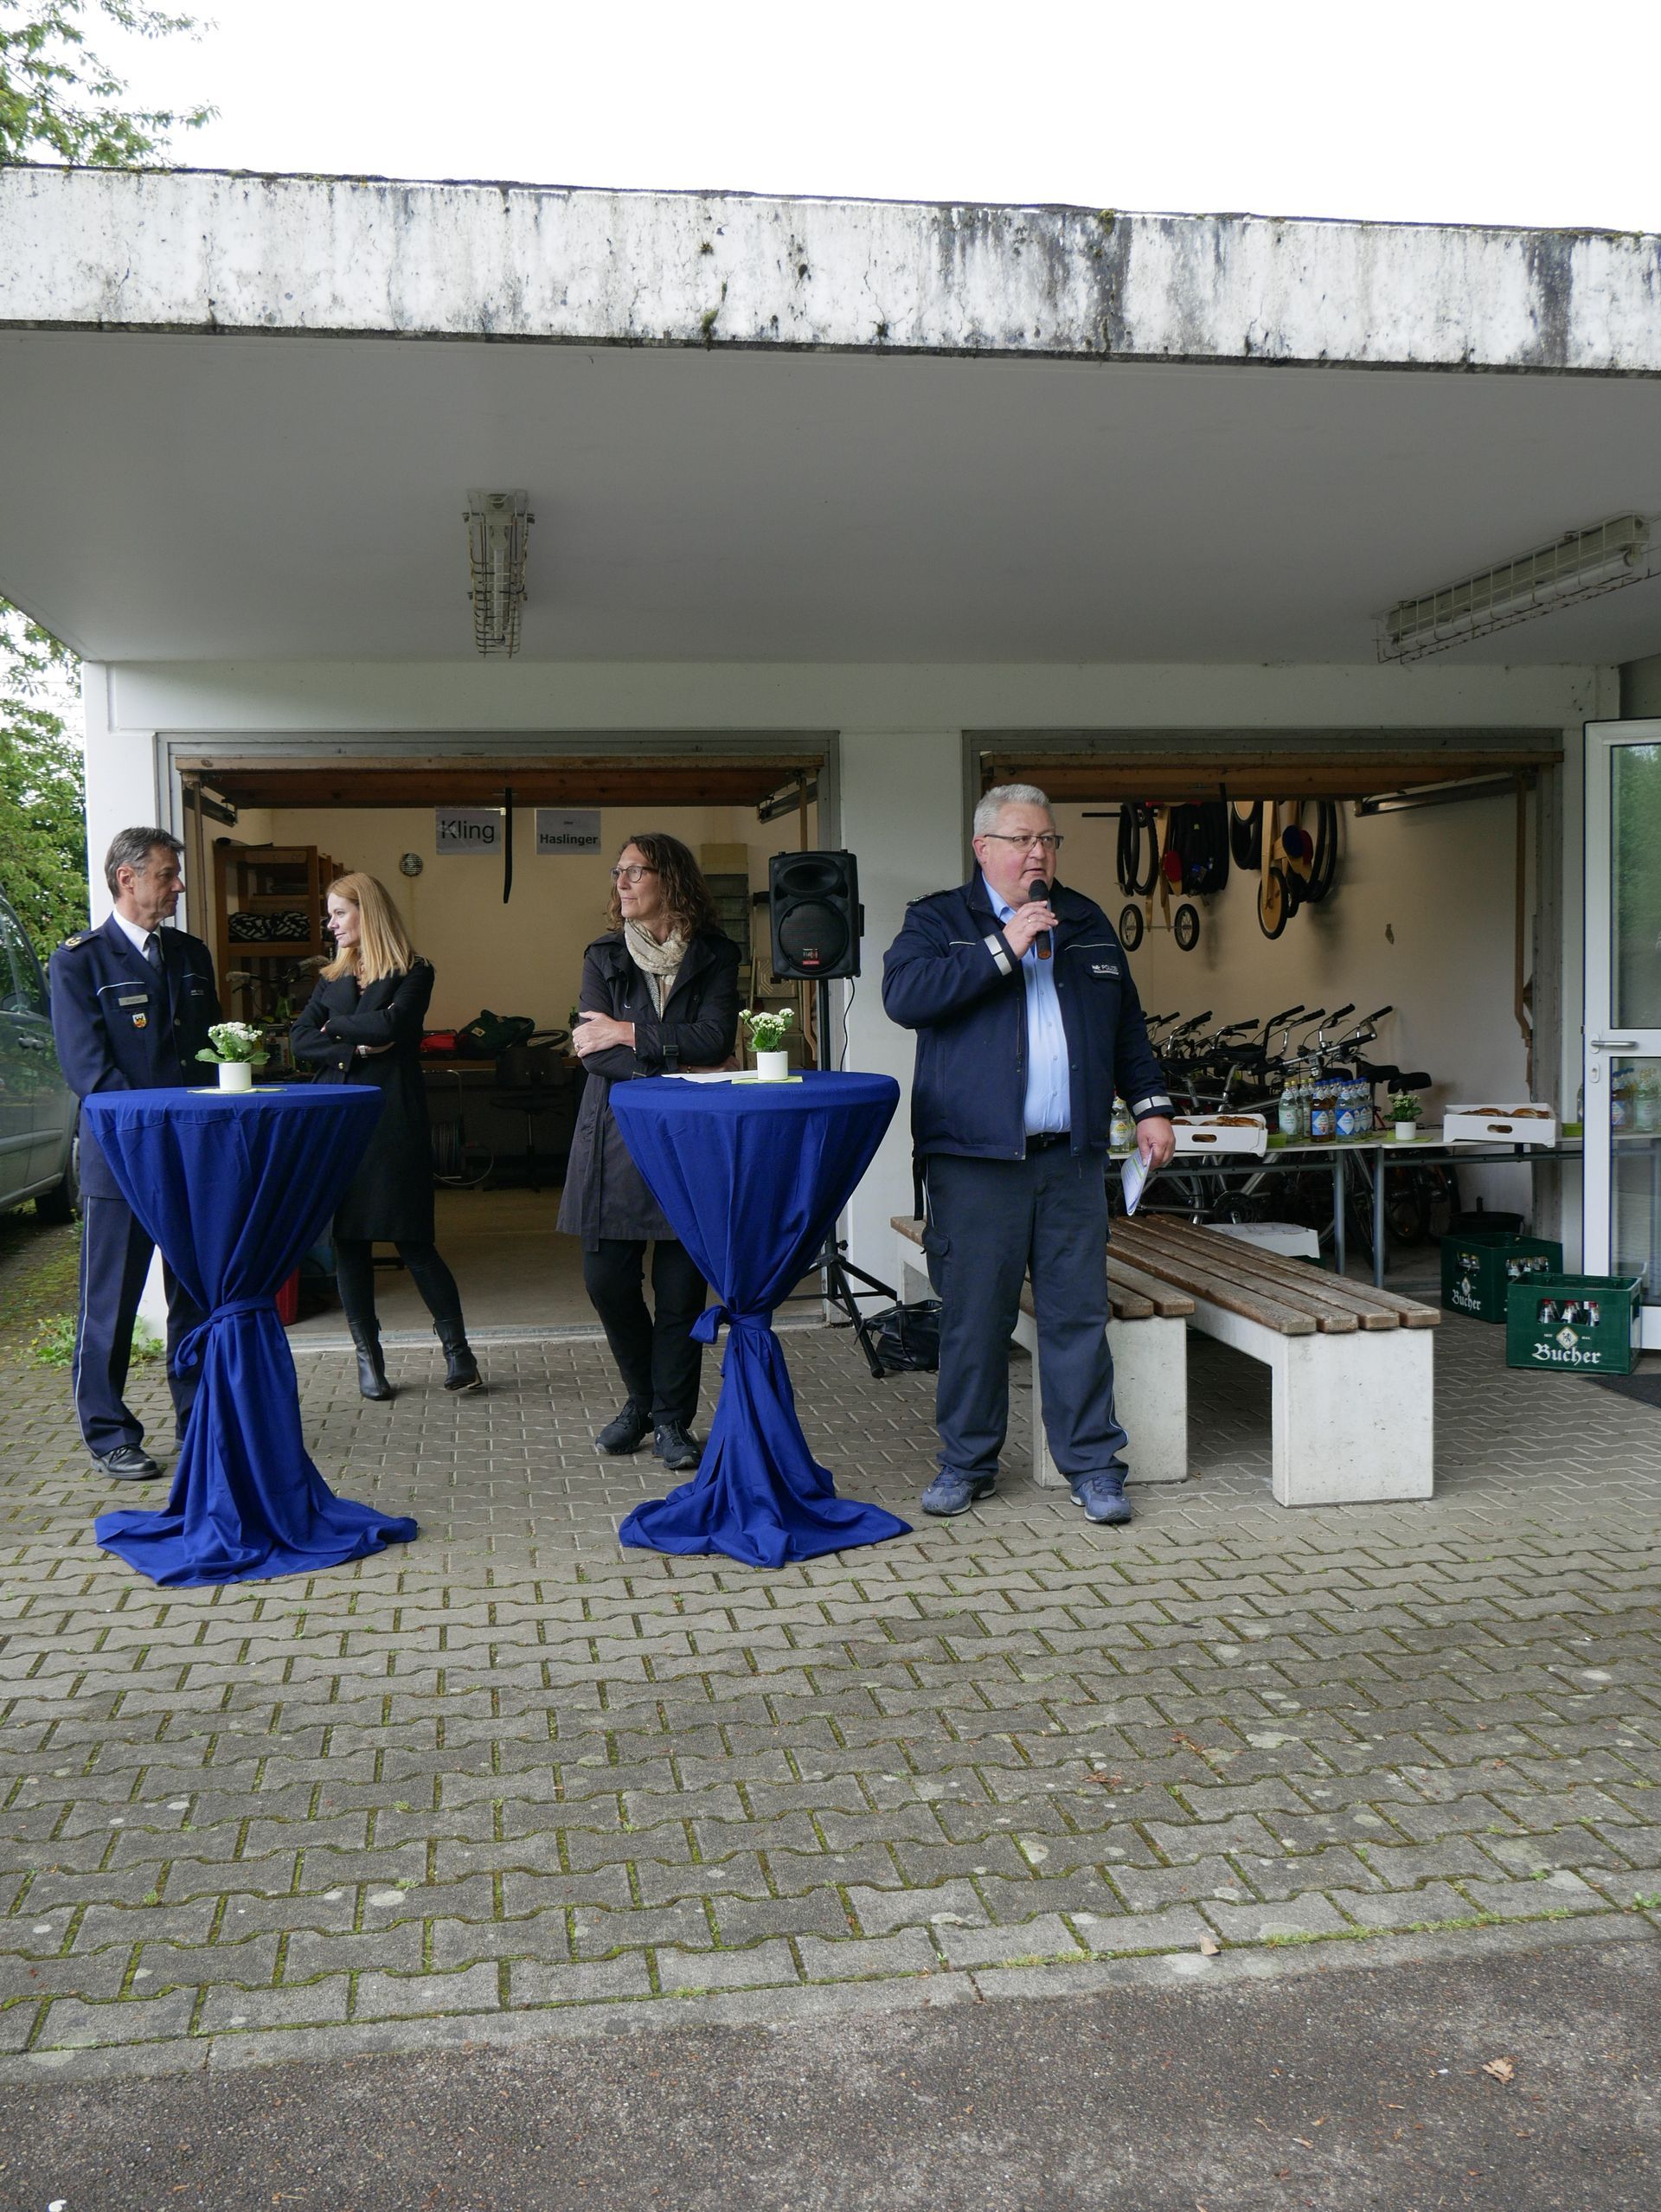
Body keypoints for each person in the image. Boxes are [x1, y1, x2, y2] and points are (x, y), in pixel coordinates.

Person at [882, 783, 1176, 1524]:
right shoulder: (938, 920)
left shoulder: (1086, 921)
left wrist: (1151, 1106)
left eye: (1048, 839)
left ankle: (1093, 1466)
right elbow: (905, 996)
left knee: (1076, 1317)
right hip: (975, 1162)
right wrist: (1002, 948)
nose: (1038, 852)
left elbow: (1126, 1027)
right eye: (1022, 840)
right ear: (983, 848)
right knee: (975, 1319)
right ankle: (967, 1462)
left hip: (1071, 1158)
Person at [558, 833, 741, 1473]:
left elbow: (716, 1036)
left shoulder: (716, 953)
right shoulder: (604, 954)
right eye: (618, 872)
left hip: (689, 1142)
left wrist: (630, 1031)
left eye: (634, 871)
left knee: (681, 1292)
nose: (621, 882)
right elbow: (594, 1053)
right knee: (606, 1282)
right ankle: (643, 1399)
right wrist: (677, 1066)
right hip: (615, 1138)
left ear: (670, 878)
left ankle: (670, 1421)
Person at [48, 826, 221, 1481]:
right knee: (110, 1304)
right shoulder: (79, 962)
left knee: (195, 1297)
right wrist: (158, 1129)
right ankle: (109, 1433)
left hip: (192, 1157)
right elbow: (89, 1072)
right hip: (122, 1162)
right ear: (128, 878)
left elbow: (212, 1052)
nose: (179, 885)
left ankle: (197, 1418)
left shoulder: (190, 954)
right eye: (168, 874)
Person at [291, 873, 481, 1399]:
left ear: (367, 912)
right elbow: (300, 1040)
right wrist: (354, 1045)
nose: (331, 924)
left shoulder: (414, 970)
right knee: (349, 1242)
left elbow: (394, 1027)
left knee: (413, 1237)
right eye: (330, 914)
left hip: (393, 1115)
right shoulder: (330, 977)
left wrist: (337, 1028)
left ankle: (459, 1353)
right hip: (338, 1118)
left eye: (339, 913)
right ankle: (368, 1360)